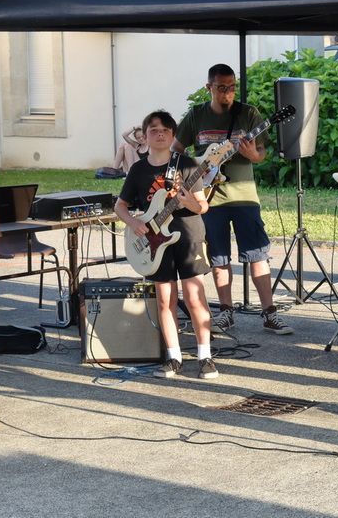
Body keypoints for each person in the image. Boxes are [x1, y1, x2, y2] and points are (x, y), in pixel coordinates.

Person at [172, 64, 291, 335]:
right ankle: (226, 312)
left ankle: (269, 312)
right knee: (218, 255)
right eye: (221, 87)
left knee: (257, 252)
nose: (227, 93)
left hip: (243, 194)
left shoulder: (248, 114)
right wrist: (197, 168)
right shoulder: (196, 115)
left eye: (232, 87)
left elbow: (261, 152)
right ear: (209, 88)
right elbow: (176, 150)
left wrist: (252, 155)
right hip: (209, 197)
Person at [115, 110, 218, 379]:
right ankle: (174, 358)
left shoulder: (187, 164)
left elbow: (202, 206)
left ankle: (205, 356)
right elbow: (120, 206)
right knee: (165, 299)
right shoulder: (138, 169)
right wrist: (134, 223)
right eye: (153, 130)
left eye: (165, 130)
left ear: (173, 136)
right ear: (145, 136)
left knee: (195, 297)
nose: (159, 134)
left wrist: (189, 203)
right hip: (155, 242)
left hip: (188, 235)